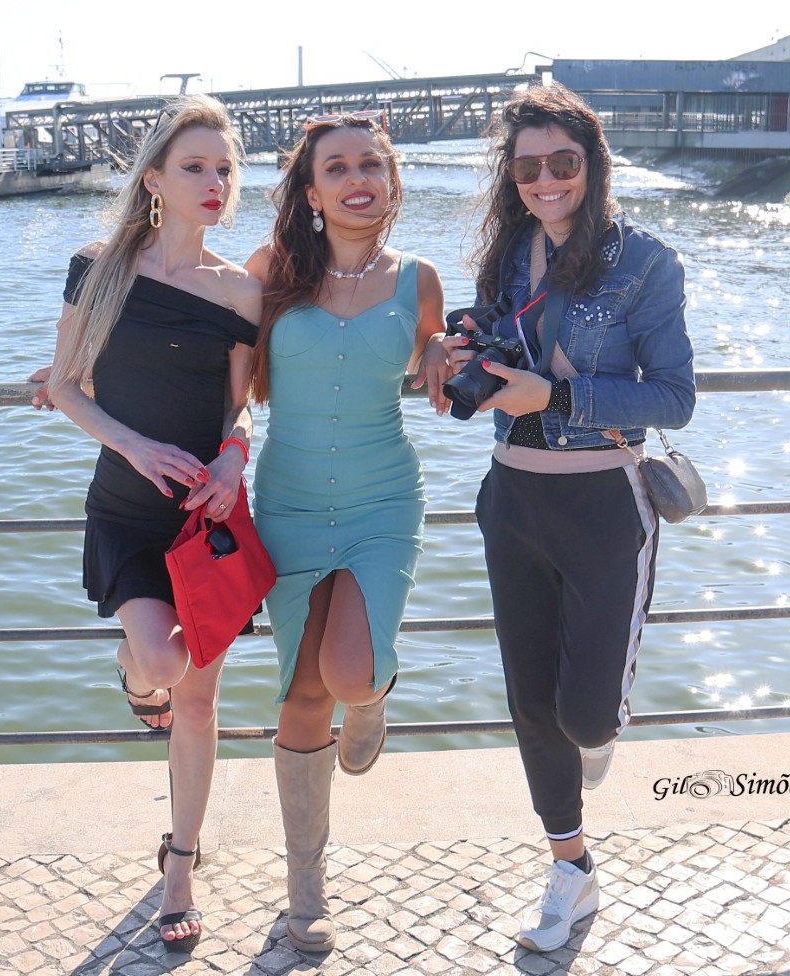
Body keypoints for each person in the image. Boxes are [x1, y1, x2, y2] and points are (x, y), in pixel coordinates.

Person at [446, 83, 694, 952]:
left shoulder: (645, 263)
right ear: (511, 178)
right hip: (512, 498)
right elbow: (498, 351)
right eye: (528, 169)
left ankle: (597, 729)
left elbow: (674, 397)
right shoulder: (508, 257)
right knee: (530, 704)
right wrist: (462, 349)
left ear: (593, 165)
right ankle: (571, 869)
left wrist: (556, 395)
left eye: (563, 162)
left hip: (602, 502)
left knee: (584, 720)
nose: (545, 181)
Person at [40, 96, 260, 953]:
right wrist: (132, 445)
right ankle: (136, 683)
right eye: (195, 167)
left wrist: (234, 459)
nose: (215, 182)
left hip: (205, 521)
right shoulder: (99, 267)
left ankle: (180, 865)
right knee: (162, 664)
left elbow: (241, 408)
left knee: (198, 702)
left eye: (225, 169)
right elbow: (64, 385)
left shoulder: (241, 291)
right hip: (128, 510)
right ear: (156, 179)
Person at [245, 113, 449, 953]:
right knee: (302, 696)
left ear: (392, 180)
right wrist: (82, 364)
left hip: (382, 499)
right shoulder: (270, 271)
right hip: (287, 503)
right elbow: (213, 369)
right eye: (337, 167)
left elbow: (438, 350)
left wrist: (440, 353)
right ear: (310, 190)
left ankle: (371, 700)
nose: (357, 179)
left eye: (371, 164)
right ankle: (306, 888)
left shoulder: (419, 279)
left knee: (352, 674)